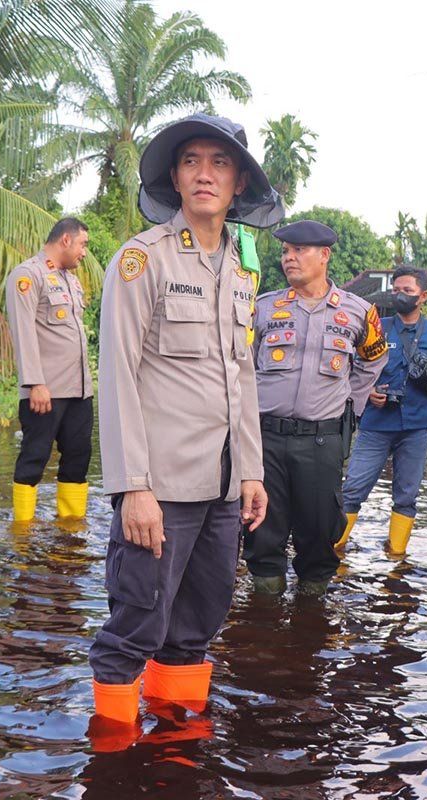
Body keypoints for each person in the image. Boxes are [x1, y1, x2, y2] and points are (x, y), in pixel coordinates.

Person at [89, 113, 283, 733]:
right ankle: (113, 758)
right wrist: (132, 488)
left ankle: (175, 752)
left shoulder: (241, 270)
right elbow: (116, 377)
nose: (206, 174)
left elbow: (242, 377)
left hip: (223, 488)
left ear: (239, 184)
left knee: (198, 625)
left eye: (220, 163)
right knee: (135, 625)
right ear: (175, 178)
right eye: (193, 161)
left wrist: (251, 472)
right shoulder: (141, 261)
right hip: (161, 487)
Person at [245, 220, 387, 595]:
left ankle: (312, 626)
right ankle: (263, 620)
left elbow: (373, 360)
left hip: (321, 442)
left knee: (319, 533)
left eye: (298, 250)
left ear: (324, 256)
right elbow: (241, 363)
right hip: (264, 439)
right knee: (261, 531)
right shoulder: (262, 308)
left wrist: (349, 406)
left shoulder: (359, 312)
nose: (288, 258)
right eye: (285, 251)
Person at [338, 265, 427, 555]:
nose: (400, 295)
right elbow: (353, 370)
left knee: (406, 496)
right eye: (396, 290)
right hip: (376, 424)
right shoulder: (376, 328)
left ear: (423, 296)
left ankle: (396, 557)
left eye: (407, 291)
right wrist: (368, 394)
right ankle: (334, 548)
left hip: (416, 427)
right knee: (353, 488)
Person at [4, 217, 93, 523]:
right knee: (34, 458)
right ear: (65, 240)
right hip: (46, 391)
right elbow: (23, 331)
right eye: (83, 244)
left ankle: (70, 529)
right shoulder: (28, 275)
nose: (84, 252)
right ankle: (23, 531)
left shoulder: (71, 280)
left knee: (79, 459)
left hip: (79, 391)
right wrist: (34, 383)